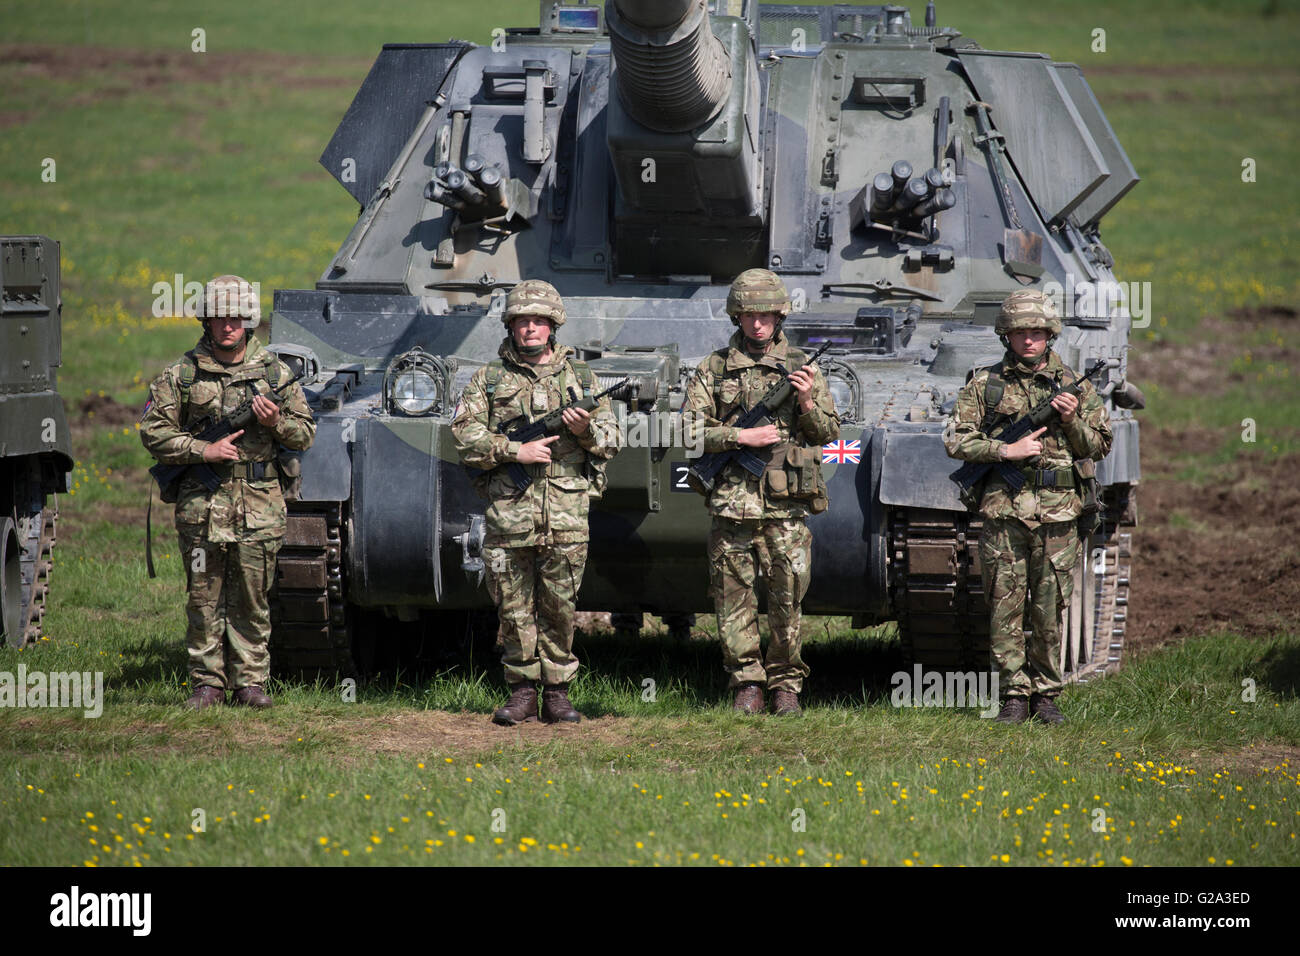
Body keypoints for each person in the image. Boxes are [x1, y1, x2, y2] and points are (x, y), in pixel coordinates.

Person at [141, 275, 316, 710]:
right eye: (219, 317)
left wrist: (276, 423)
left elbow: (306, 435)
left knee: (253, 596)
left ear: (249, 320)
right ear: (207, 320)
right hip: (202, 506)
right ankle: (207, 684)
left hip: (259, 506)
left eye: (236, 316)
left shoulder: (276, 375)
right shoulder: (182, 374)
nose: (227, 325)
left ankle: (250, 683)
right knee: (203, 596)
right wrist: (204, 448)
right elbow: (152, 432)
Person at [451, 279, 619, 725]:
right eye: (523, 320)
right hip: (509, 514)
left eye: (539, 321)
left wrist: (584, 432)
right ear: (511, 326)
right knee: (513, 606)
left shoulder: (580, 378)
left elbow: (613, 438)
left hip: (565, 515)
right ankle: (522, 690)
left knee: (561, 606)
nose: (530, 328)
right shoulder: (488, 379)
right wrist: (513, 451)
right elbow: (464, 438)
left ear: (553, 326)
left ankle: (558, 692)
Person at [943, 290, 1112, 725]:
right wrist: (1005, 450)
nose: (1029, 340)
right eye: (1021, 333)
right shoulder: (986, 384)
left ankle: (1046, 694)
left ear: (1050, 334)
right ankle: (1014, 695)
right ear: (1007, 335)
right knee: (1005, 607)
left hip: (1059, 514)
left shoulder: (1077, 386)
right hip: (1004, 512)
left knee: (1049, 609)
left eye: (1037, 332)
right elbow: (955, 439)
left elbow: (1100, 445)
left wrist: (1072, 420)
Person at [683, 269, 840, 716]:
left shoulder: (803, 369)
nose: (757, 324)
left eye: (766, 314)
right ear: (738, 316)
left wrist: (807, 401)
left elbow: (828, 434)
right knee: (733, 600)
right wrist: (739, 438)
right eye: (749, 314)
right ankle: (746, 684)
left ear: (779, 316)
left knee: (787, 599)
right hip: (733, 505)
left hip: (786, 506)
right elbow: (689, 430)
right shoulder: (712, 368)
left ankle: (786, 684)